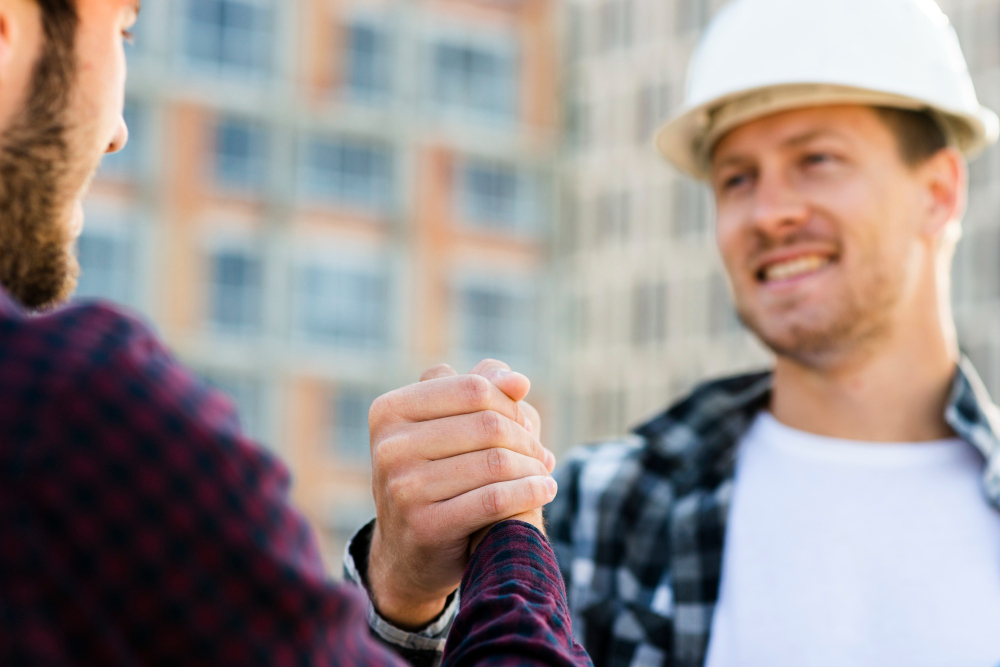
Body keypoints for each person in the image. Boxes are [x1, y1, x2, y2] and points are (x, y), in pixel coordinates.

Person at [351, 0, 1000, 665]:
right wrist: (404, 596)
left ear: (940, 192)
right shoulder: (598, 510)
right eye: (737, 178)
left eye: (817, 159)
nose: (768, 213)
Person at [0, 0, 591, 665]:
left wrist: (399, 596)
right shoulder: (68, 414)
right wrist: (512, 513)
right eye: (121, 31)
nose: (116, 130)